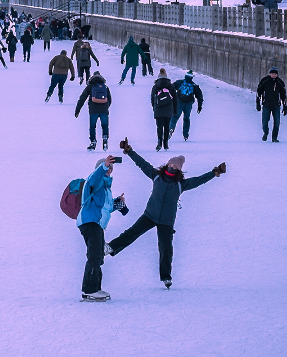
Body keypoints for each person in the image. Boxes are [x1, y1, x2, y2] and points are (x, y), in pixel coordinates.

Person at [109, 140, 226, 289]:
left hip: (166, 221)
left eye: (175, 166)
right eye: (170, 164)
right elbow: (142, 164)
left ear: (179, 170)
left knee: (166, 249)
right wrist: (129, 151)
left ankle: (166, 277)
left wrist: (215, 172)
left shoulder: (181, 184)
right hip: (150, 215)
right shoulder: (156, 176)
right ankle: (111, 247)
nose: (172, 167)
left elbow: (199, 181)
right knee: (132, 233)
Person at [76, 156, 129, 302]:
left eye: (110, 168)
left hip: (98, 224)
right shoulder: (93, 180)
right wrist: (103, 166)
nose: (109, 170)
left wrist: (117, 202)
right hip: (90, 222)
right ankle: (89, 291)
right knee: (94, 255)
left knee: (98, 255)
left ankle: (95, 288)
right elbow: (95, 178)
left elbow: (106, 208)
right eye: (107, 167)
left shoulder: (106, 188)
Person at [75, 72, 113, 151]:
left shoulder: (90, 86)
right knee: (105, 125)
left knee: (92, 126)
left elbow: (82, 98)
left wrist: (77, 110)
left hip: (93, 110)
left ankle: (93, 142)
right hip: (104, 109)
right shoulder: (105, 86)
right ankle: (105, 139)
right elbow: (109, 99)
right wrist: (106, 107)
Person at [256, 66, 287, 142]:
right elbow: (258, 92)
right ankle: (265, 132)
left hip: (276, 105)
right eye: (272, 73)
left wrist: (285, 106)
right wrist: (258, 103)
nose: (273, 75)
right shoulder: (265, 81)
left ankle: (274, 137)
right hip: (266, 104)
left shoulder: (280, 82)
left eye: (275, 74)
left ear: (277, 74)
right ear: (270, 74)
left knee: (277, 122)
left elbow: (283, 95)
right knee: (265, 121)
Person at [150, 69, 178, 151]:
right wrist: (174, 110)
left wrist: (154, 108)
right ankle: (165, 144)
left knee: (159, 126)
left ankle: (159, 143)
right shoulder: (171, 86)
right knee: (166, 126)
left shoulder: (155, 86)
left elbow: (152, 99)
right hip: (168, 109)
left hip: (158, 109)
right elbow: (175, 99)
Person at [172, 71, 204, 142]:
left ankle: (171, 129)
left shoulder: (179, 82)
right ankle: (185, 135)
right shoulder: (194, 86)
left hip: (179, 102)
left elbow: (171, 88)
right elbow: (199, 96)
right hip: (188, 104)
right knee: (186, 119)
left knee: (175, 117)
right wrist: (200, 105)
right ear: (192, 78)